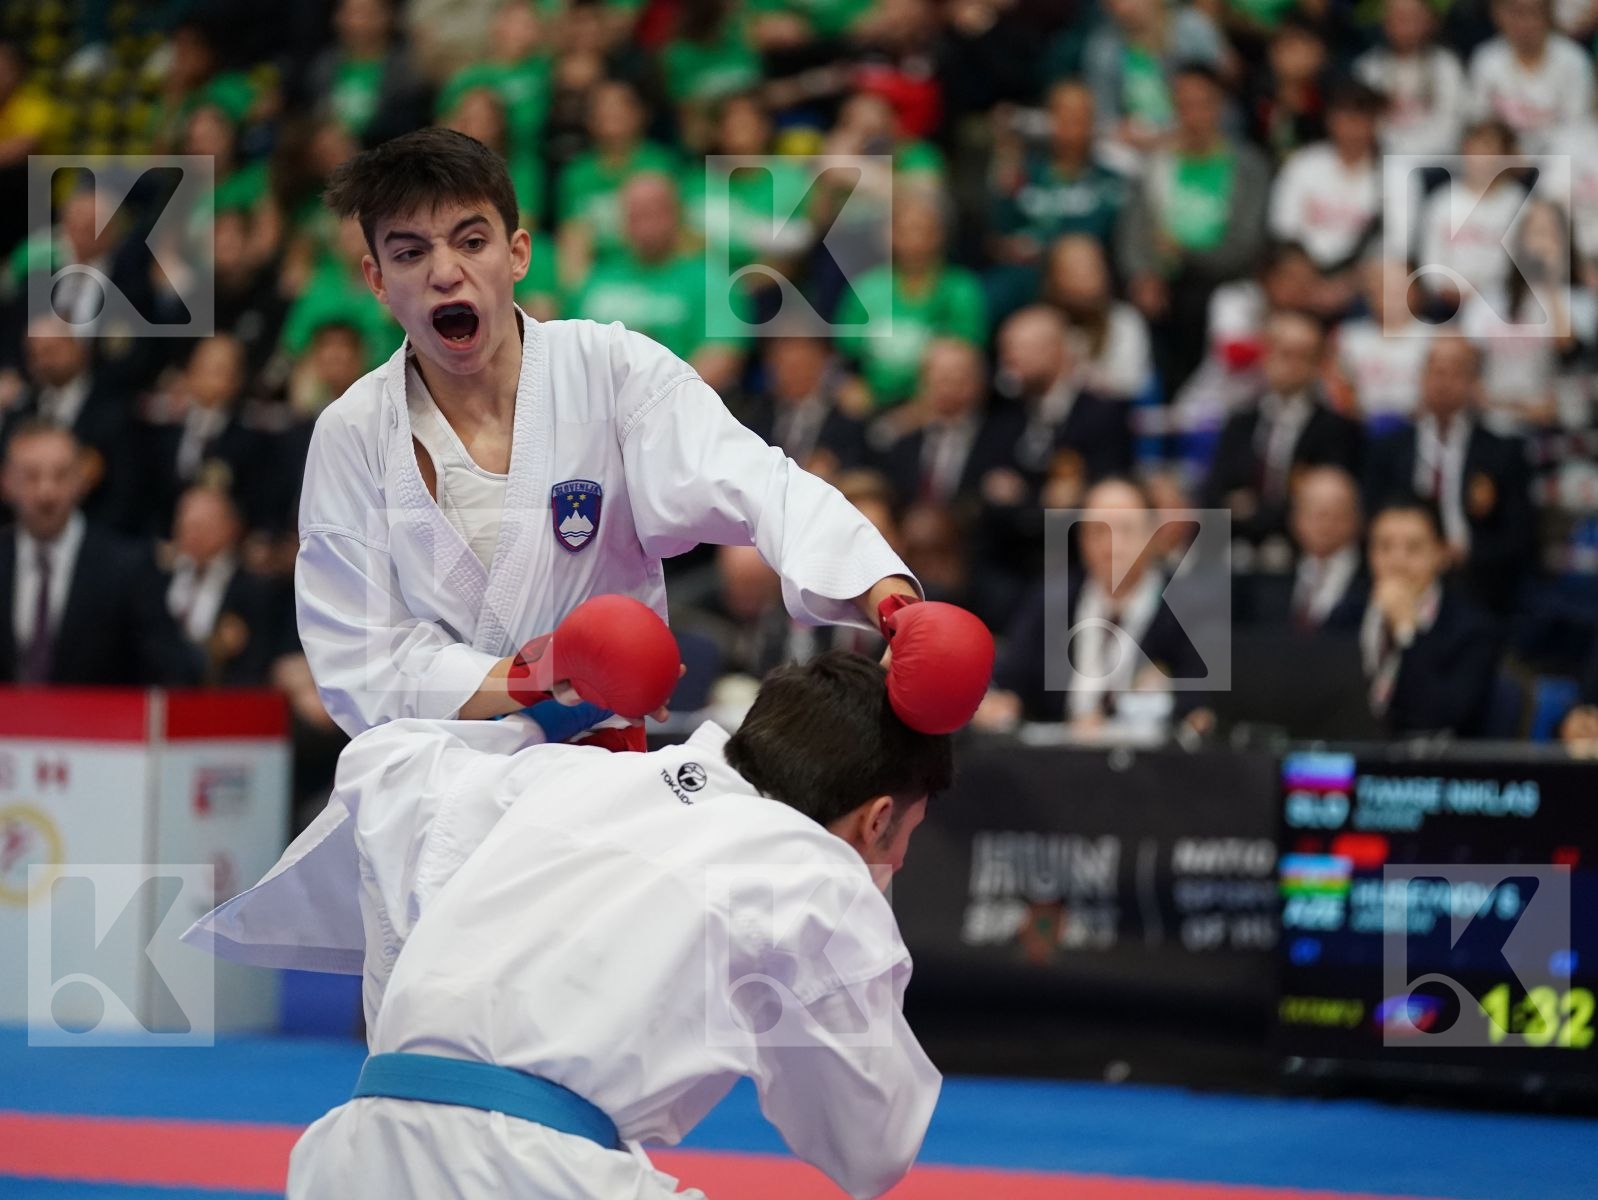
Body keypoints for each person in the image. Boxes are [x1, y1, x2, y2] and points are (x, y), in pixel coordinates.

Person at [192, 649, 961, 1199]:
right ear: (878, 817)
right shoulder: (815, 872)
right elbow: (872, 1147)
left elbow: (385, 764)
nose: (895, 861)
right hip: (534, 1174)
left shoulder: (563, 773)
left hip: (351, 1156)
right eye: (906, 836)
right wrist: (858, 909)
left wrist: (541, 706)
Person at [299, 128, 965, 741]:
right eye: (410, 253)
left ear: (518, 254)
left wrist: (889, 600)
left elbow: (762, 485)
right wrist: (541, 676)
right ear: (376, 280)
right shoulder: (351, 433)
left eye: (471, 242)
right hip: (426, 782)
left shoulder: (613, 370)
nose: (445, 272)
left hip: (599, 770)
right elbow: (358, 658)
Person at [0, 422, 200, 686]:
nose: (46, 493)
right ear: (7, 482)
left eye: (61, 475)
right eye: (31, 476)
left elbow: (171, 670)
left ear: (81, 479)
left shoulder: (127, 568)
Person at [1364, 337, 1535, 614]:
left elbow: (1518, 534)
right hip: (1403, 571)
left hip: (1479, 579)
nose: (1443, 382)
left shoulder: (1502, 452)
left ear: (1474, 382)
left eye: (1456, 372)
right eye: (1436, 372)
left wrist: (1465, 553)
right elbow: (1373, 513)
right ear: (1421, 377)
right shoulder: (1390, 448)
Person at [1201, 309, 1364, 561]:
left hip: (1304, 555)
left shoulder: (1337, 430)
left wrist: (1252, 511)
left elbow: (1325, 508)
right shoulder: (1240, 424)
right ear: (1266, 355)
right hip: (1238, 553)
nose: (1292, 365)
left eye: (1304, 356)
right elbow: (1213, 497)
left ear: (1318, 364)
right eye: (1284, 353)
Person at [1358, 496, 1501, 737]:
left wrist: (1407, 631)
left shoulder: (1472, 630)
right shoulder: (1346, 614)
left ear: (1442, 553)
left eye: (1413, 548)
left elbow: (1437, 716)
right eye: (1384, 547)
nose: (1397, 562)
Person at [1239, 465, 1367, 631]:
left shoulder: (1372, 581)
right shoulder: (1272, 575)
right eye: (1314, 511)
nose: (1325, 523)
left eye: (1336, 511)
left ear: (1357, 518)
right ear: (1295, 518)